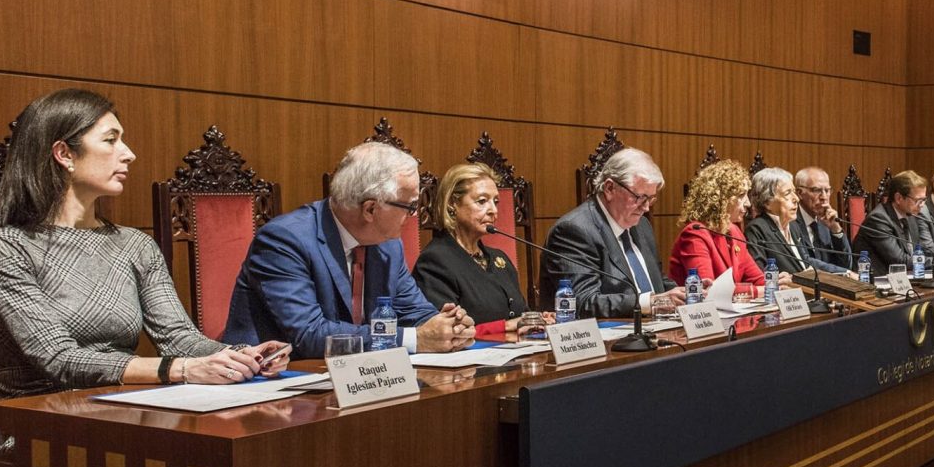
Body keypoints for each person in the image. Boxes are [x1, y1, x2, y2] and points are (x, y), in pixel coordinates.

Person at [0, 89, 288, 398]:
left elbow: (179, 338)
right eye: (111, 140)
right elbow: (57, 358)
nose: (128, 154)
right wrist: (180, 369)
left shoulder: (135, 244)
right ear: (64, 153)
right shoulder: (4, 246)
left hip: (123, 403)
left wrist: (242, 356)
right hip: (39, 415)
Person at [223, 141, 473, 358]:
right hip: (279, 378)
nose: (414, 215)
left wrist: (448, 327)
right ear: (370, 209)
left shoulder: (388, 245)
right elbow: (309, 334)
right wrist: (414, 339)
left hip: (362, 376)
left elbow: (413, 310)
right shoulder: (285, 240)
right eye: (409, 206)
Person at [413, 162, 550, 340]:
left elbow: (521, 314)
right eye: (482, 201)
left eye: (496, 202)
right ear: (452, 204)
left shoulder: (499, 258)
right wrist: (506, 326)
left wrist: (536, 321)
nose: (493, 210)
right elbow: (447, 332)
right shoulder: (435, 261)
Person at [545, 147, 685, 319]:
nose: (646, 207)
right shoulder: (574, 231)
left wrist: (688, 294)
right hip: (608, 332)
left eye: (650, 199)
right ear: (610, 188)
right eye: (640, 197)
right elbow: (583, 302)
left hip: (656, 327)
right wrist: (649, 303)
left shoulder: (642, 226)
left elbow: (658, 282)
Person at [669, 159, 784, 297]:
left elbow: (758, 280)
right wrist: (759, 291)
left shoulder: (734, 232)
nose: (748, 203)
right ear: (721, 199)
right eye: (741, 195)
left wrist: (778, 284)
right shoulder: (695, 234)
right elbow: (709, 291)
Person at [744, 167, 818, 278]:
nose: (796, 199)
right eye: (787, 193)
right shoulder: (756, 229)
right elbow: (759, 274)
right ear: (767, 202)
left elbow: (804, 263)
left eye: (794, 192)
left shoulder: (793, 226)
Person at [853, 170, 929, 276]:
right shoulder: (878, 219)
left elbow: (919, 251)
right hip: (874, 280)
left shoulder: (911, 215)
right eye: (917, 200)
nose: (922, 205)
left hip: (902, 278)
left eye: (924, 200)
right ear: (898, 198)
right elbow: (899, 261)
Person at [791, 167, 854, 274]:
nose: (824, 197)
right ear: (800, 193)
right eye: (817, 190)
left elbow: (846, 264)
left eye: (827, 190)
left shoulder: (827, 220)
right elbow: (803, 261)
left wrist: (836, 230)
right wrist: (846, 273)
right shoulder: (790, 220)